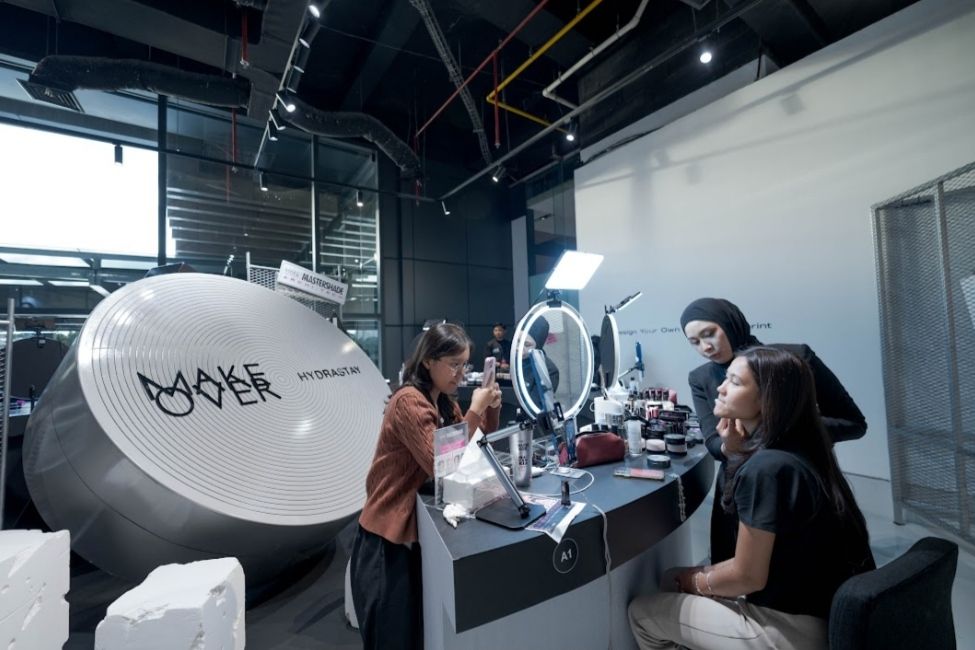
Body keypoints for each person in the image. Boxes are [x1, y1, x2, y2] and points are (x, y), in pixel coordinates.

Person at [629, 346, 875, 650]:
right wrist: (735, 454)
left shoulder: (766, 469)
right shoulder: (801, 450)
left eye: (734, 382)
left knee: (644, 611)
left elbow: (747, 577)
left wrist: (691, 580)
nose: (720, 388)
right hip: (827, 616)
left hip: (793, 630)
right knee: (676, 579)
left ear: (766, 399)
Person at [350, 323, 502, 650]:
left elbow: (472, 444)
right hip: (385, 540)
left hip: (413, 535)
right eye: (454, 364)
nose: (461, 373)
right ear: (428, 361)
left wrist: (490, 408)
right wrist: (476, 409)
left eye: (465, 365)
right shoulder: (409, 402)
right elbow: (441, 463)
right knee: (391, 638)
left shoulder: (444, 402)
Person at [680, 297, 866, 563]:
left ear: (730, 324)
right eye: (694, 342)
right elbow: (713, 440)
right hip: (740, 482)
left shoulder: (794, 359)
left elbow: (853, 423)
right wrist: (729, 446)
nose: (705, 347)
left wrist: (781, 427)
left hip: (798, 480)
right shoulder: (701, 378)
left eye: (709, 334)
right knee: (738, 564)